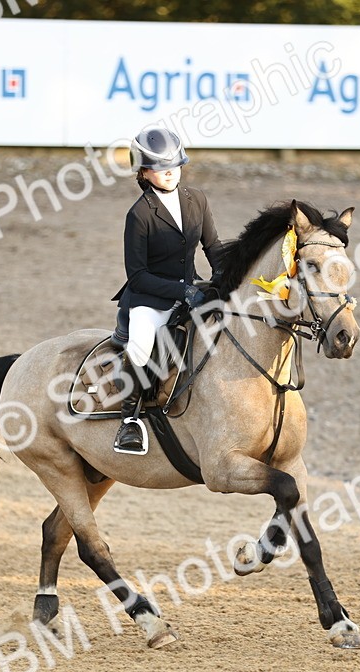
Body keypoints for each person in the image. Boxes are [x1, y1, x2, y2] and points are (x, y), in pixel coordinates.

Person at [111, 125, 224, 455]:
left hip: (191, 289)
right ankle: (129, 421)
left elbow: (213, 246)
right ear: (145, 172)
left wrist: (226, 278)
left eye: (175, 166)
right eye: (161, 169)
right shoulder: (140, 214)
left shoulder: (196, 200)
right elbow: (137, 276)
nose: (170, 173)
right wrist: (184, 292)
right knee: (142, 345)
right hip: (150, 298)